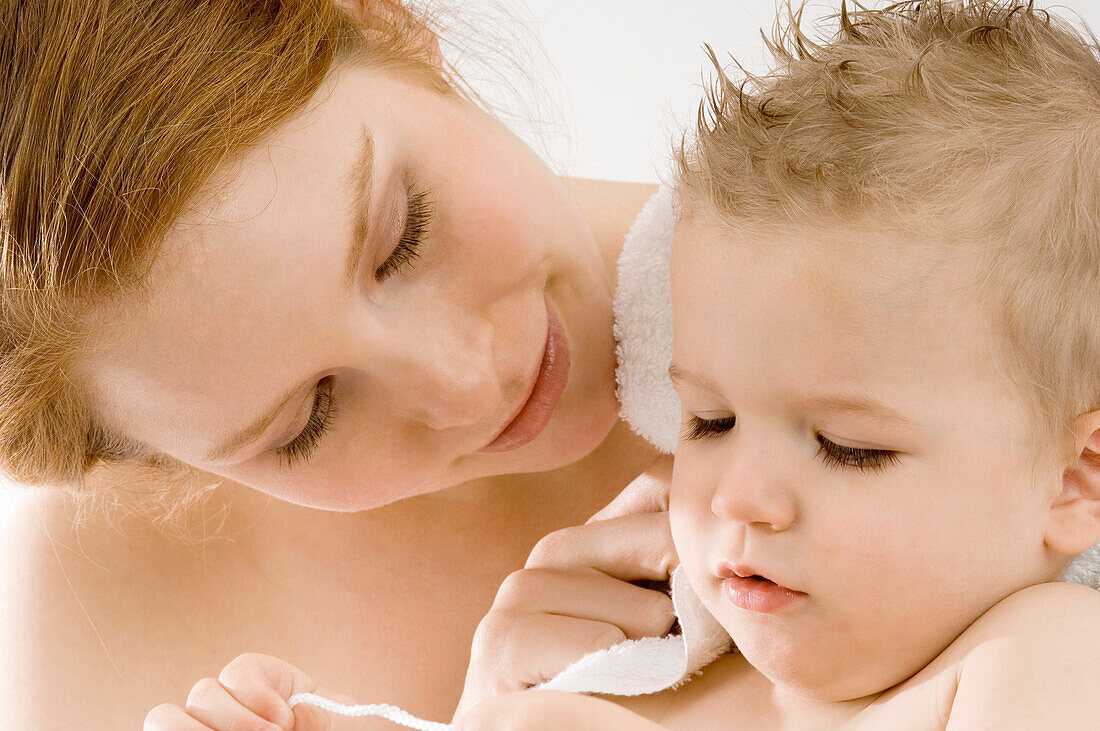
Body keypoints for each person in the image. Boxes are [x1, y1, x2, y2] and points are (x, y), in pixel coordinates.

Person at [162, 1, 1100, 728]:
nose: (740, 496)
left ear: (1075, 478)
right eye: (710, 422)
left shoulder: (1045, 659)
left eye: (849, 446)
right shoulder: (664, 669)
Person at [0, 1, 680, 727]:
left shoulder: (819, 267)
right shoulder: (104, 603)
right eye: (307, 421)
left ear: (382, 20)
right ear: (173, 465)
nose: (469, 385)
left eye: (404, 238)